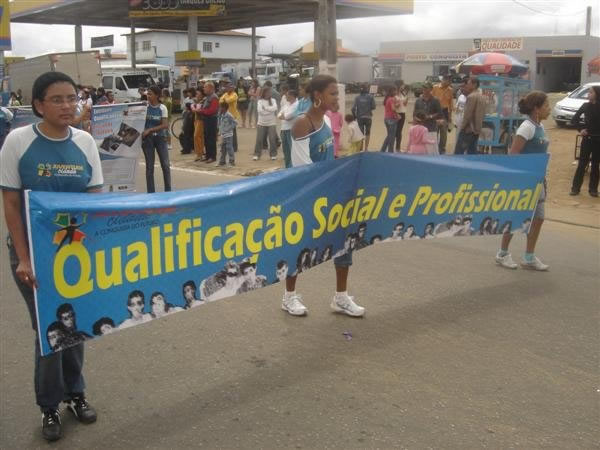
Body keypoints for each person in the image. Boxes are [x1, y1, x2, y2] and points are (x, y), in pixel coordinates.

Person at [0, 71, 102, 441]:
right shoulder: (18, 141)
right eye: (57, 99)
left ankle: (75, 394)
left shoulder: (85, 142)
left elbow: (95, 200)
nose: (67, 105)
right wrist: (24, 258)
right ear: (39, 105)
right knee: (50, 329)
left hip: (74, 256)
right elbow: (12, 204)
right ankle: (48, 406)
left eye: (71, 98)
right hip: (33, 257)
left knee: (75, 325)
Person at [286, 74, 365, 317]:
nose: (337, 99)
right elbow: (302, 169)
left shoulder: (328, 121)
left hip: (331, 193)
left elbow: (330, 157)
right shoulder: (302, 124)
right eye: (332, 94)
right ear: (317, 95)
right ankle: (289, 297)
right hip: (307, 197)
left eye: (337, 94)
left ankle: (340, 297)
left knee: (344, 243)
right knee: (299, 247)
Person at [495, 91, 551, 271]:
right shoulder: (526, 127)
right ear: (536, 108)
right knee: (516, 218)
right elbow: (514, 154)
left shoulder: (541, 127)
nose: (549, 109)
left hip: (538, 181)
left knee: (539, 218)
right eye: (546, 105)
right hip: (525, 182)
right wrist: (520, 179)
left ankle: (529, 257)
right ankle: (502, 254)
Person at [570, 85, 600, 197]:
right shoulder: (585, 106)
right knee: (582, 164)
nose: (588, 94)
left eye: (591, 92)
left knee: (595, 165)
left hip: (598, 140)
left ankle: (593, 190)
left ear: (597, 94)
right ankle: (575, 189)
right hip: (587, 139)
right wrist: (581, 129)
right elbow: (574, 119)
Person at [142, 85, 171, 193]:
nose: (148, 96)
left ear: (157, 95)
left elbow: (165, 125)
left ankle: (168, 190)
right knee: (150, 167)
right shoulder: (144, 107)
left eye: (150, 94)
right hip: (147, 140)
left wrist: (150, 130)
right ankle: (151, 192)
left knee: (165, 165)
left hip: (160, 138)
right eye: (147, 94)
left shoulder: (162, 108)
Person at [455, 77, 485, 155]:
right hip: (476, 129)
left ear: (474, 85)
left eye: (468, 84)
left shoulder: (471, 97)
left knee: (459, 151)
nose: (467, 86)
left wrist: (462, 127)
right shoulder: (481, 96)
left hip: (468, 129)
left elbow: (467, 115)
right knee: (472, 151)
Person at [413, 82, 442, 155]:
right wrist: (415, 122)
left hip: (431, 128)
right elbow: (415, 113)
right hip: (420, 129)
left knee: (432, 149)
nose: (424, 89)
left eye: (426, 88)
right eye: (423, 88)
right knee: (421, 149)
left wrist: (430, 116)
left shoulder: (435, 100)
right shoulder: (418, 100)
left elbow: (439, 113)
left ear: (431, 89)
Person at [194, 82, 219, 163]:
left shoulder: (214, 97)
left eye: (205, 87)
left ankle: (212, 156)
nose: (203, 89)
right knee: (206, 138)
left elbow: (212, 110)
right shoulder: (207, 97)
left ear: (211, 88)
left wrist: (201, 111)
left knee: (211, 138)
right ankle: (208, 155)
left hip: (211, 119)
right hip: (206, 119)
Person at [253, 86, 278, 161]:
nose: (268, 93)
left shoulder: (273, 100)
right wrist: (270, 111)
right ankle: (257, 154)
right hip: (261, 123)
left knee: (272, 139)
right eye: (267, 92)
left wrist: (266, 108)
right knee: (259, 139)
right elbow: (260, 111)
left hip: (271, 123)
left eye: (269, 92)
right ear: (263, 93)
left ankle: (273, 154)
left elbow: (275, 108)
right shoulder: (260, 101)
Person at [432, 75, 454, 154]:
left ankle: (442, 149)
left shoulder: (450, 90)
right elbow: (431, 99)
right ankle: (434, 149)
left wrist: (450, 116)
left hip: (445, 112)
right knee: (434, 131)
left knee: (444, 133)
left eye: (450, 81)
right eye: (449, 81)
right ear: (443, 80)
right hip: (435, 112)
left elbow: (451, 103)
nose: (450, 83)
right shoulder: (435, 87)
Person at [278, 89, 299, 168]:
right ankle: (287, 167)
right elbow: (279, 114)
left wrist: (284, 116)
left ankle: (292, 167)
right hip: (283, 129)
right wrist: (283, 116)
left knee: (292, 149)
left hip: (291, 129)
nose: (285, 96)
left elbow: (288, 116)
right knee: (285, 150)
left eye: (287, 95)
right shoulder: (286, 104)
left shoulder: (297, 104)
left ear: (292, 96)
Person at [351, 86, 376, 151]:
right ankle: (366, 148)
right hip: (368, 117)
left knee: (361, 133)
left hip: (360, 117)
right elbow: (374, 107)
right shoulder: (371, 97)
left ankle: (360, 148)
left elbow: (353, 108)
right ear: (366, 90)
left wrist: (354, 116)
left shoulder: (357, 98)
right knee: (368, 133)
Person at [219, 83, 239, 152]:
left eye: (230, 87)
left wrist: (224, 100)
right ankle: (226, 147)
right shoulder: (225, 94)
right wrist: (224, 100)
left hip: (232, 116)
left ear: (233, 88)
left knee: (232, 132)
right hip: (225, 115)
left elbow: (228, 100)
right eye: (227, 87)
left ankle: (234, 147)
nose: (228, 88)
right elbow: (220, 101)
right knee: (225, 131)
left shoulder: (235, 94)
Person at [217, 102, 237, 167]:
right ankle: (222, 161)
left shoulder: (229, 115)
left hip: (228, 135)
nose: (219, 108)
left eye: (221, 107)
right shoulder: (220, 115)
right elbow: (219, 123)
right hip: (223, 135)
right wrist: (219, 131)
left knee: (229, 148)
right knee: (222, 149)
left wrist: (228, 129)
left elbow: (235, 123)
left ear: (224, 108)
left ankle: (231, 161)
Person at [380, 87, 399, 152]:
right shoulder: (391, 99)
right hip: (392, 119)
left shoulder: (387, 99)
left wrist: (397, 104)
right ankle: (390, 151)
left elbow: (391, 108)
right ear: (392, 91)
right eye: (395, 91)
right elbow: (393, 109)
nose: (396, 92)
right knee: (392, 137)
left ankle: (383, 150)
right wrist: (397, 115)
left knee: (389, 136)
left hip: (386, 119)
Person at [394, 80, 409, 151]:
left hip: (402, 113)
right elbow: (394, 106)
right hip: (396, 114)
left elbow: (405, 105)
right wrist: (398, 103)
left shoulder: (403, 94)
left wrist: (406, 100)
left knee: (399, 131)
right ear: (399, 86)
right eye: (403, 85)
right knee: (395, 131)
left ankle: (398, 148)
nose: (403, 87)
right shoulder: (394, 94)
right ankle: (392, 146)